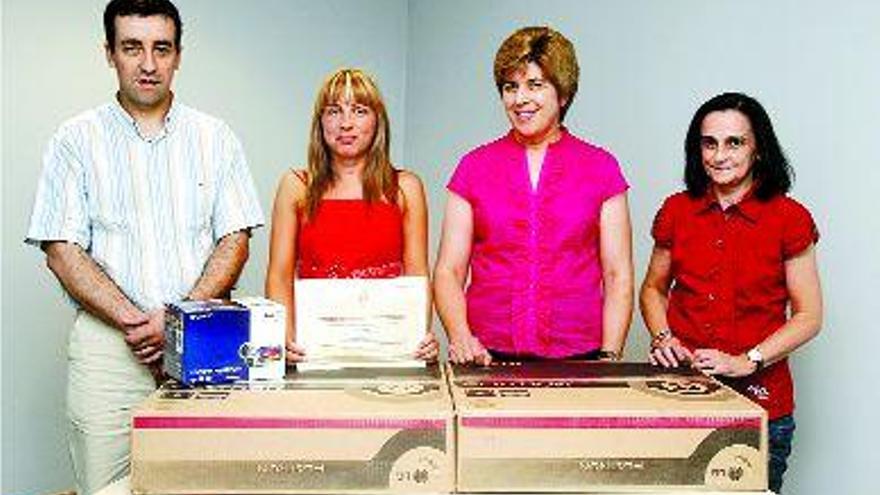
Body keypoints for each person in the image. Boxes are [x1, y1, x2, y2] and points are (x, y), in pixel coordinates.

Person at [24, 0, 264, 493]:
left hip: (203, 342)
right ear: (109, 53)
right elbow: (61, 250)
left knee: (210, 481)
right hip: (109, 349)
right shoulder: (75, 140)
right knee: (106, 485)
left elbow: (235, 238)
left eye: (162, 48)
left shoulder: (215, 138)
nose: (149, 64)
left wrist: (175, 320)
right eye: (132, 47)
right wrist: (138, 325)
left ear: (179, 55)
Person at [640, 92, 822, 493]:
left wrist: (748, 360)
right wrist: (663, 336)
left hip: (762, 406)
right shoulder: (676, 210)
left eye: (734, 142)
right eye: (709, 143)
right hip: (680, 399)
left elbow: (809, 315)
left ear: (758, 149)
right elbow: (653, 289)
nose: (720, 155)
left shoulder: (789, 219)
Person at [433, 26, 633, 365]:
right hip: (486, 354)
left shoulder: (602, 168)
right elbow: (448, 271)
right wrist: (461, 337)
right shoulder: (473, 167)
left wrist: (609, 357)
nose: (520, 99)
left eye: (535, 85)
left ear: (564, 93)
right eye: (510, 87)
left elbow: (618, 275)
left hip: (580, 354)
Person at [265, 68, 438, 363]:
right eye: (334, 111)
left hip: (389, 354)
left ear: (377, 121)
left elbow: (418, 275)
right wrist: (284, 338)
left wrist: (418, 337)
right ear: (320, 123)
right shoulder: (295, 187)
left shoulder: (405, 188)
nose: (346, 124)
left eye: (359, 111)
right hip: (313, 353)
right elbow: (279, 275)